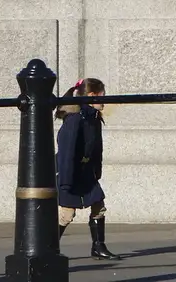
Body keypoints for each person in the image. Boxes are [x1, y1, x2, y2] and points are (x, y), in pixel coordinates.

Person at [56, 77, 120, 260]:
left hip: (86, 173)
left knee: (98, 206)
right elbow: (66, 152)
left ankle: (98, 247)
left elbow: (97, 149)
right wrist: (66, 181)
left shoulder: (94, 118)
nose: (104, 101)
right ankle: (48, 249)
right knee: (66, 214)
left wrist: (96, 171)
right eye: (102, 96)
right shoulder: (75, 119)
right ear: (92, 96)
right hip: (72, 173)